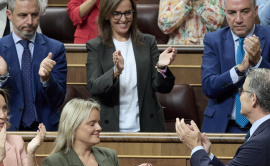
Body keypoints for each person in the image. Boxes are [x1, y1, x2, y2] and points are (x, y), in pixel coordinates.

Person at [86, 0, 176, 132]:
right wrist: (115, 72)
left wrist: (161, 68)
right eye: (117, 14)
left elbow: (162, 87)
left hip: (147, 127)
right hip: (109, 128)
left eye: (128, 13)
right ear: (106, 15)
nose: (123, 19)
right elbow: (94, 87)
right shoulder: (96, 46)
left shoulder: (148, 42)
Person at [201, 0, 270, 133]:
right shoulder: (213, 40)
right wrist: (239, 70)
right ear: (225, 13)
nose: (238, 19)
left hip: (264, 128)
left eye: (244, 12)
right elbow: (209, 87)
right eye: (232, 13)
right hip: (222, 127)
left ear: (255, 11)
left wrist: (258, 62)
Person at [0, 0, 67, 131]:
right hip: (7, 129)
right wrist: (2, 77)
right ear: (9, 15)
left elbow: (58, 100)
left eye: (34, 15)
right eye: (23, 15)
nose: (30, 21)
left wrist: (47, 79)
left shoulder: (55, 48)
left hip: (46, 130)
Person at [158, 0, 225, 45]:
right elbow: (164, 26)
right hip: (178, 49)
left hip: (208, 47)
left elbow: (218, 22)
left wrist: (201, 3)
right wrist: (184, 3)